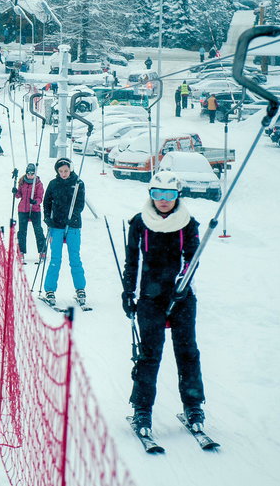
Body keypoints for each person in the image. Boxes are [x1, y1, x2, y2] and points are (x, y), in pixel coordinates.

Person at [122, 170, 205, 437]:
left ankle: (193, 406)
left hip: (181, 297)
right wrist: (128, 292)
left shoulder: (188, 223)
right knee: (149, 355)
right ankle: (142, 409)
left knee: (188, 352)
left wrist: (183, 282)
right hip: (150, 297)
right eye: (158, 194)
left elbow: (192, 259)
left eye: (169, 194)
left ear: (177, 195)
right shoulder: (140, 223)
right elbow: (132, 262)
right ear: (151, 195)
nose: (164, 200)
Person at [42, 158, 86, 307]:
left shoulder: (78, 183)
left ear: (70, 169)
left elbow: (79, 204)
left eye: (66, 171)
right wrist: (47, 218)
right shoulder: (53, 184)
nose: (63, 174)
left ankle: (80, 289)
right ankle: (50, 290)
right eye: (60, 171)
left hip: (73, 225)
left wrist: (72, 218)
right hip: (56, 226)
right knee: (55, 259)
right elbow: (46, 202)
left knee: (75, 258)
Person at [13, 163, 46, 262]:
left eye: (32, 173)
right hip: (23, 209)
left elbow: (40, 197)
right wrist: (15, 192)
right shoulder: (22, 182)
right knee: (22, 231)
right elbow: (19, 195)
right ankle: (21, 251)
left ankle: (42, 251)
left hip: (35, 209)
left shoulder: (38, 184)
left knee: (38, 230)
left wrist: (35, 202)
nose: (30, 175)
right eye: (28, 173)